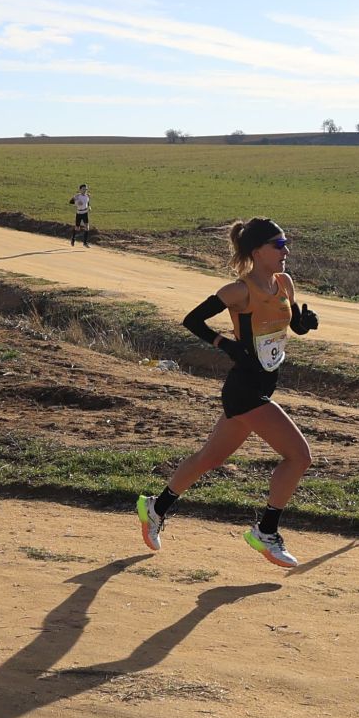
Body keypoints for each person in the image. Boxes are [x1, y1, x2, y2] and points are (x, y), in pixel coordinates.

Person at [136, 218, 321, 568]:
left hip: (264, 384)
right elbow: (193, 320)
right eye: (279, 245)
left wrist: (303, 325)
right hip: (246, 389)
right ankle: (266, 531)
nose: (286, 251)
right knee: (299, 457)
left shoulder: (284, 283)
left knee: (210, 458)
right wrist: (225, 344)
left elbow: (290, 323)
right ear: (257, 252)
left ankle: (155, 507)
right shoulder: (239, 291)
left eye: (286, 243)